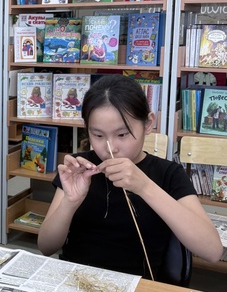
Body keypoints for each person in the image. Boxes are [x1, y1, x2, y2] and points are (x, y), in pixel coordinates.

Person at [37, 74, 223, 279]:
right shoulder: (78, 169)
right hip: (75, 280)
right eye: (98, 135)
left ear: (148, 123)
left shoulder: (168, 174)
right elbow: (46, 246)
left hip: (140, 287)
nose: (111, 147)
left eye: (122, 134)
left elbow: (212, 251)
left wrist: (144, 187)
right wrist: (70, 202)